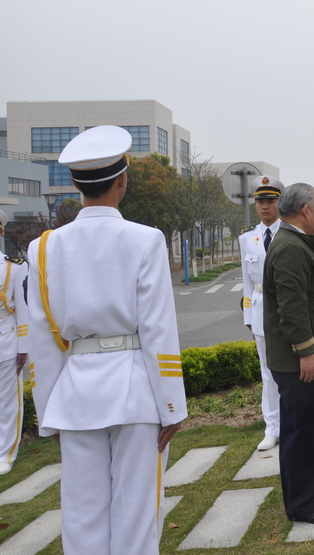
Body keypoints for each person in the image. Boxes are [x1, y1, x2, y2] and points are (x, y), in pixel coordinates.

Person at [25, 126, 187, 555]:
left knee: (81, 515)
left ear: (76, 184)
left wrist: (48, 412)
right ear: (123, 180)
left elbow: (44, 338)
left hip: (75, 394)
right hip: (134, 390)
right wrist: (171, 404)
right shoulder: (146, 239)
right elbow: (157, 330)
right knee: (136, 515)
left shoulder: (42, 249)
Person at [262, 182, 314, 524]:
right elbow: (292, 308)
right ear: (307, 211)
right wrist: (307, 351)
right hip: (301, 361)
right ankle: (300, 502)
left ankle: (310, 487)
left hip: (311, 356)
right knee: (301, 430)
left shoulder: (297, 242)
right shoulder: (290, 247)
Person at [238, 175, 284, 451]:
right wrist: (247, 315)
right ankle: (272, 428)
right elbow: (246, 280)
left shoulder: (290, 232)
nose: (265, 207)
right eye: (260, 202)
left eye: (270, 201)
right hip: (260, 308)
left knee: (290, 372)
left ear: (280, 202)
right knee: (267, 374)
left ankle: (291, 423)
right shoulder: (247, 238)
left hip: (287, 310)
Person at [0, 211, 28, 475]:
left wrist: (23, 347)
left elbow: (23, 309)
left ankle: (6, 453)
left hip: (6, 341)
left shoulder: (14, 267)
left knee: (9, 402)